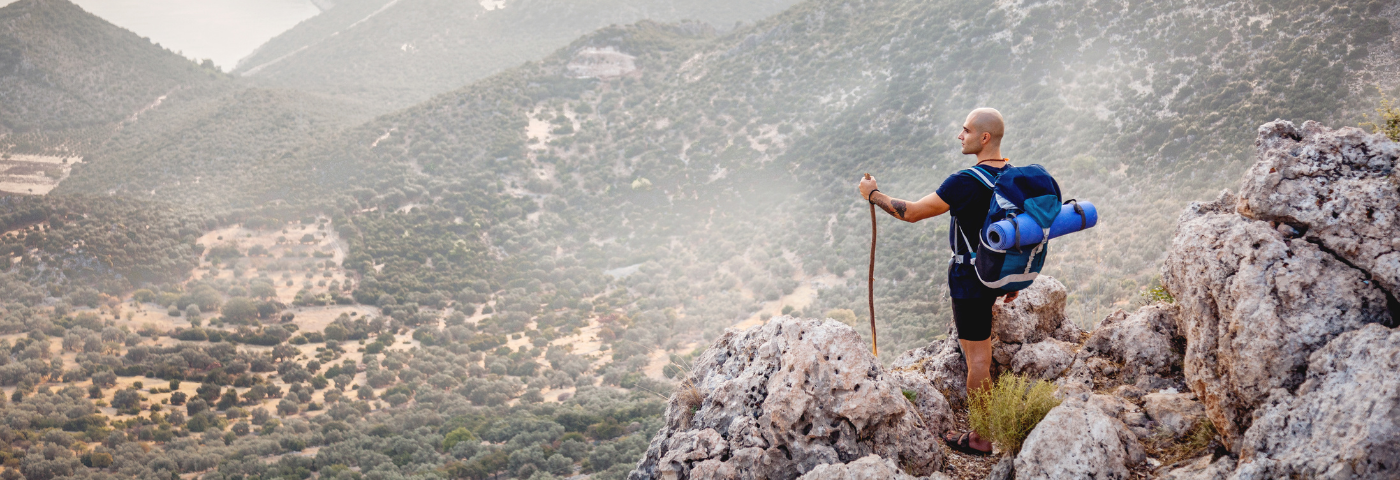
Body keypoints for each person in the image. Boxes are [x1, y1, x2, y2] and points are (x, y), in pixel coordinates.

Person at [857, 107, 1017, 456]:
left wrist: (873, 194)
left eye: (966, 130)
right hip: (996, 272)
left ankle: (981, 436)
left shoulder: (964, 181)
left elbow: (912, 212)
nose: (960, 135)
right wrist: (1013, 278)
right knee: (981, 353)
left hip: (969, 277)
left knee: (978, 359)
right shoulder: (1013, 176)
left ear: (984, 137)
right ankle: (987, 426)